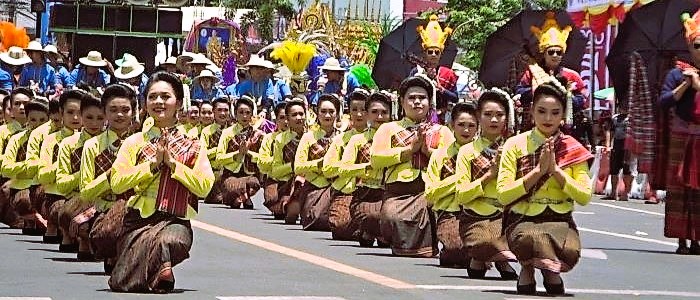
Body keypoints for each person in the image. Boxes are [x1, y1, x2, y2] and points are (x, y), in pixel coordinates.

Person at [108, 71, 214, 293]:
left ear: (178, 103)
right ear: (144, 103)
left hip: (173, 217)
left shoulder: (193, 143)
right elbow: (117, 183)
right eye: (153, 97)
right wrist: (152, 165)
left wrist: (174, 165)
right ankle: (158, 270)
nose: (159, 102)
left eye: (165, 97)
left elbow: (204, 186)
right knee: (122, 284)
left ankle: (163, 266)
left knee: (172, 240)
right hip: (139, 218)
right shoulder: (134, 142)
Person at [497, 78, 593, 295]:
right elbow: (503, 195)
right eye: (541, 111)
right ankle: (528, 267)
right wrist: (537, 172)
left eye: (555, 112)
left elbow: (585, 196)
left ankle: (549, 269)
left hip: (559, 217)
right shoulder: (515, 145)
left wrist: (556, 172)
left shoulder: (572, 148)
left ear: (563, 115)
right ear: (531, 111)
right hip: (524, 217)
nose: (548, 118)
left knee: (569, 250)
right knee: (532, 237)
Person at [370, 76, 454, 257]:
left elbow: (451, 163)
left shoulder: (442, 131)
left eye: (422, 98)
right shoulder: (388, 129)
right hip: (398, 191)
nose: (417, 102)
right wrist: (408, 151)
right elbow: (375, 160)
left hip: (430, 191)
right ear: (402, 102)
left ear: (430, 102)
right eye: (411, 98)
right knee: (391, 218)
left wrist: (427, 151)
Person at [454, 90, 517, 279]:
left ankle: (483, 259)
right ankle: (498, 258)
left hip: (506, 215)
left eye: (499, 115)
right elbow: (462, 195)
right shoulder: (467, 152)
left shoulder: (514, 148)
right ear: (479, 117)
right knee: (486, 239)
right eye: (488, 115)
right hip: (476, 214)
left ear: (507, 118)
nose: (494, 120)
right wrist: (489, 176)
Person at [81, 84, 137, 273]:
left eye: (125, 110)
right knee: (106, 232)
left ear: (133, 112)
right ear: (104, 112)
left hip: (138, 207)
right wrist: (110, 176)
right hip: (105, 208)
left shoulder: (142, 142)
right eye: (113, 110)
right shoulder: (92, 146)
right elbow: (86, 191)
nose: (119, 115)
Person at [658, 11, 700, 255]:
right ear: (689, 45)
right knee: (678, 190)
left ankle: (697, 240)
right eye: (698, 45)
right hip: (681, 137)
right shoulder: (677, 73)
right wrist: (685, 85)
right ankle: (682, 240)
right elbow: (663, 101)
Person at [424, 102, 478, 268]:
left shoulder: (483, 154)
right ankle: (450, 253)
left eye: (471, 125)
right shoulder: (440, 156)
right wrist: (460, 179)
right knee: (456, 246)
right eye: (461, 125)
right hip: (450, 212)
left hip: (478, 212)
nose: (466, 130)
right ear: (451, 125)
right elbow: (430, 194)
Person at [516, 12, 587, 133]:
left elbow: (583, 100)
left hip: (566, 129)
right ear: (544, 53)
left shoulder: (572, 75)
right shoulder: (531, 72)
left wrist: (567, 96)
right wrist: (536, 89)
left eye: (558, 52)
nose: (555, 55)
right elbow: (519, 92)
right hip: (536, 126)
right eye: (551, 52)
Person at [55, 94, 105, 260]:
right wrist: (84, 173)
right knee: (66, 214)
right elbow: (62, 184)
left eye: (100, 118)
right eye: (89, 117)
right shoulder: (68, 144)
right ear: (81, 116)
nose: (94, 123)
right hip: (77, 198)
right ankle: (80, 238)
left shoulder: (112, 143)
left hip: (105, 198)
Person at [342, 90, 393, 247]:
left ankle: (379, 232)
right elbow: (344, 169)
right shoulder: (358, 140)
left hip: (391, 192)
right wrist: (368, 167)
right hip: (366, 192)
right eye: (374, 112)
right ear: (367, 114)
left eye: (384, 112)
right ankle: (371, 229)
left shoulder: (397, 139)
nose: (379, 117)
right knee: (370, 216)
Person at [36, 90, 86, 245]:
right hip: (57, 197)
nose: (76, 118)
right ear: (60, 113)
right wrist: (64, 163)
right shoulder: (51, 140)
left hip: (85, 196)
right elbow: (42, 176)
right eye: (70, 112)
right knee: (63, 211)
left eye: (80, 113)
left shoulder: (95, 140)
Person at [2, 97, 50, 236]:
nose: (37, 124)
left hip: (46, 186)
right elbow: (6, 168)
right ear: (27, 119)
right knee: (24, 200)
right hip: (22, 186)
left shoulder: (53, 140)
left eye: (42, 120)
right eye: (33, 120)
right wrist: (29, 166)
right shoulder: (17, 139)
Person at [325, 89, 369, 240]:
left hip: (369, 190)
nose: (358, 114)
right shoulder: (340, 140)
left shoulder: (376, 138)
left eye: (363, 110)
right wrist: (350, 168)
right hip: (345, 191)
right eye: (354, 110)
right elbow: (328, 169)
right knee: (340, 227)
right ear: (348, 112)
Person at [294, 93, 342, 230]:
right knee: (316, 218)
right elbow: (298, 167)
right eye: (323, 111)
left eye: (331, 112)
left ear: (337, 114)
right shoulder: (308, 138)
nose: (327, 116)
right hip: (315, 186)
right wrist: (319, 164)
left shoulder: (343, 137)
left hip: (338, 185)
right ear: (317, 113)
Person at [216, 95, 264, 209]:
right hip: (230, 174)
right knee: (232, 185)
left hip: (250, 175)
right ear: (235, 114)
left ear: (252, 115)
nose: (244, 116)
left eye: (248, 113)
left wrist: (248, 153)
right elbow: (219, 158)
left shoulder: (258, 134)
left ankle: (242, 196)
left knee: (254, 183)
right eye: (241, 112)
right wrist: (237, 154)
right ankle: (243, 196)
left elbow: (263, 158)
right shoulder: (227, 133)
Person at [411, 15, 458, 124]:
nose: (433, 54)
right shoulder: (416, 72)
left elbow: (455, 98)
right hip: (419, 120)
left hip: (441, 120)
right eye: (430, 52)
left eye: (436, 52)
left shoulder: (448, 73)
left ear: (440, 55)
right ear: (424, 53)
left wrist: (441, 89)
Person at [0, 88, 31, 229]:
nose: (22, 107)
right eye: (17, 104)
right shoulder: (2, 132)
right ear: (11, 109)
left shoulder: (41, 132)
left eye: (26, 103)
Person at [272, 99, 307, 222]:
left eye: (301, 114)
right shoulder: (280, 139)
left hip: (310, 181)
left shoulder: (312, 137)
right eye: (294, 115)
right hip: (287, 184)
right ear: (287, 118)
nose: (299, 118)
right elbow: (275, 171)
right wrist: (293, 166)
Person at [259, 102, 289, 218]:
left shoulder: (302, 138)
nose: (286, 121)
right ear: (276, 120)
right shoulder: (269, 138)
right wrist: (281, 163)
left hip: (294, 179)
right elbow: (262, 163)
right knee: (272, 199)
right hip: (274, 178)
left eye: (288, 117)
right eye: (282, 118)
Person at [200, 97, 230, 204]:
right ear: (214, 112)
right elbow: (202, 155)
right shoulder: (206, 131)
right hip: (212, 172)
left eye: (226, 110)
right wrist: (219, 150)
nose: (223, 113)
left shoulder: (234, 130)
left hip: (230, 172)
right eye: (219, 110)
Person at [604, 107, 633, 201]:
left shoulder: (632, 118)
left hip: (628, 145)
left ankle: (626, 192)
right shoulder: (615, 118)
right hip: (617, 144)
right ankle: (613, 192)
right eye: (621, 105)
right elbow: (610, 131)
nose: (623, 108)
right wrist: (608, 145)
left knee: (627, 170)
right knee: (614, 170)